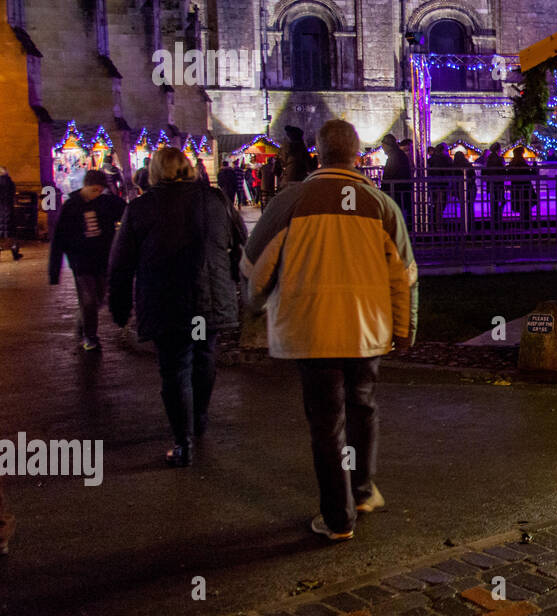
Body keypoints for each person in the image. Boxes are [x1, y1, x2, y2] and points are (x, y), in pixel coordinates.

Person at [241, 119, 418, 542]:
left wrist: (255, 303)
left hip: (311, 329)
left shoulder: (289, 201)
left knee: (326, 423)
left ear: (318, 153)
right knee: (362, 407)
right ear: (357, 155)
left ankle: (337, 518)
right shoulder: (379, 205)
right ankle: (361, 491)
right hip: (366, 329)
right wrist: (404, 327)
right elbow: (404, 276)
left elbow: (254, 266)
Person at [109, 147, 247, 467]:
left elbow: (121, 263)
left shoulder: (141, 208)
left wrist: (118, 306)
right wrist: (234, 279)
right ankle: (198, 417)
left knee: (175, 368)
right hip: (207, 297)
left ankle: (182, 440)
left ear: (155, 171)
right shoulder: (215, 200)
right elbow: (241, 243)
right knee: (203, 356)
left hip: (167, 301)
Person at [49, 169, 126, 352]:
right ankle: (90, 337)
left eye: (100, 190)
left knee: (99, 298)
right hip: (80, 261)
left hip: (102, 260)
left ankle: (83, 321)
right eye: (94, 190)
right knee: (89, 300)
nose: (97, 194)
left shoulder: (107, 203)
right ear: (86, 186)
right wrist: (54, 271)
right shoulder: (71, 206)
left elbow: (128, 212)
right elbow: (59, 238)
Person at [380, 133, 413, 228]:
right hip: (400, 190)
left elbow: (389, 175)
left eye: (383, 146)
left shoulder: (394, 157)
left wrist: (384, 189)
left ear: (387, 145)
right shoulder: (397, 155)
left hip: (397, 191)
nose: (383, 149)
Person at [507, 147, 538, 226]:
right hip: (525, 188)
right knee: (526, 205)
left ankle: (523, 222)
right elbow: (530, 173)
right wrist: (535, 166)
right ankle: (526, 223)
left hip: (516, 187)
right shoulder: (522, 163)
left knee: (521, 205)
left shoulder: (512, 164)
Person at [427, 143, 453, 229]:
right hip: (442, 184)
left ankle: (434, 223)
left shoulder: (432, 159)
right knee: (441, 205)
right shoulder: (446, 158)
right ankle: (439, 225)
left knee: (435, 204)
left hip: (433, 184)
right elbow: (450, 170)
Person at [481, 142, 507, 225]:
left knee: (494, 201)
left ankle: (494, 218)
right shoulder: (499, 159)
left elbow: (484, 171)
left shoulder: (488, 159)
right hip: (498, 183)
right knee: (501, 200)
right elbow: (502, 171)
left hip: (491, 183)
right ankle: (498, 218)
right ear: (498, 150)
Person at [0, 166, 19, 260]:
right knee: (11, 231)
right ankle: (14, 250)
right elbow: (12, 194)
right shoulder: (10, 182)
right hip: (8, 209)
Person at [452, 150, 476, 224]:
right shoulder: (468, 164)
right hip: (470, 187)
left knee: (463, 205)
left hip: (460, 188)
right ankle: (471, 221)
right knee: (470, 205)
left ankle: (464, 221)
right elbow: (473, 175)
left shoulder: (454, 166)